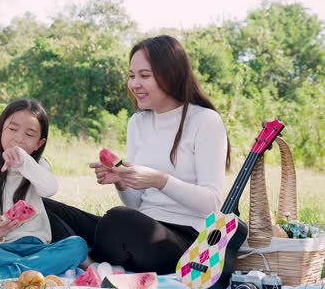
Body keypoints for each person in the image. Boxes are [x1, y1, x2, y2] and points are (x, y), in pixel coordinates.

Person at [44, 35, 230, 275]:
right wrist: (121, 181)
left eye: (145, 76)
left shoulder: (205, 121)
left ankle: (83, 253)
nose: (134, 84)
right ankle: (89, 263)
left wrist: (159, 180)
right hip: (138, 226)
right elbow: (137, 203)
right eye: (132, 76)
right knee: (41, 206)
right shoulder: (137, 123)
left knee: (120, 221)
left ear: (171, 74)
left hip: (183, 239)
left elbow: (212, 203)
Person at [0, 99, 88, 280]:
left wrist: (23, 160)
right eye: (13, 129)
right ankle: (33, 270)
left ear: (39, 143)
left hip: (37, 248)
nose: (19, 138)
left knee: (78, 245)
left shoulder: (38, 167)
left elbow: (50, 189)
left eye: (29, 134)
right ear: (0, 130)